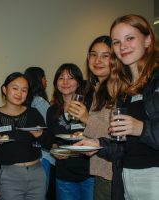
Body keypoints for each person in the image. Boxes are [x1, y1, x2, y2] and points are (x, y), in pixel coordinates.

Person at [76, 14, 159, 200]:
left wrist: (141, 128)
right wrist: (98, 145)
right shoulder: (125, 89)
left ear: (148, 40)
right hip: (124, 176)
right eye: (116, 42)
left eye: (130, 38)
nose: (123, 46)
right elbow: (122, 145)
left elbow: (140, 131)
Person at [0, 72, 50, 200]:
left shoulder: (33, 113)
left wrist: (40, 135)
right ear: (4, 89)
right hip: (10, 175)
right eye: (15, 88)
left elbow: (48, 144)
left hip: (37, 173)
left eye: (24, 90)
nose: (19, 93)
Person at [68, 35, 113, 199]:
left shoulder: (118, 90)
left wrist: (86, 118)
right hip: (101, 171)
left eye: (105, 56)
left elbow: (119, 135)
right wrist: (84, 134)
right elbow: (102, 129)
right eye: (94, 54)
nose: (98, 60)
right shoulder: (99, 89)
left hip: (114, 173)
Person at [46, 63, 94, 200]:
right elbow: (52, 140)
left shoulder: (89, 105)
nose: (65, 82)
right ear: (56, 83)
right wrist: (55, 150)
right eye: (61, 78)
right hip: (64, 174)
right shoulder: (52, 111)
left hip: (89, 173)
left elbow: (99, 132)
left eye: (70, 78)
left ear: (78, 83)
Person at [24, 66, 55, 199]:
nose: (46, 81)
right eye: (44, 78)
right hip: (44, 155)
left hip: (30, 154)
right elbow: (48, 128)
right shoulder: (40, 102)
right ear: (39, 80)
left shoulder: (26, 102)